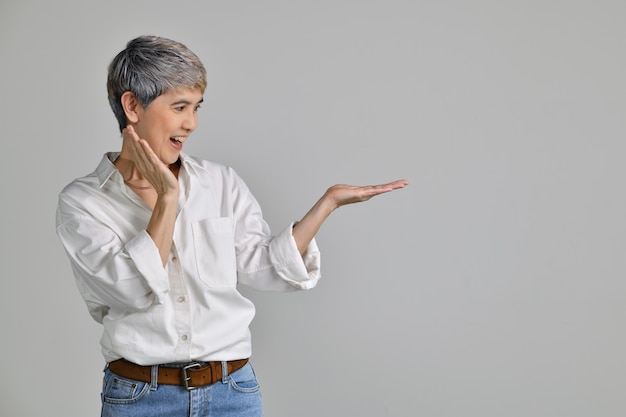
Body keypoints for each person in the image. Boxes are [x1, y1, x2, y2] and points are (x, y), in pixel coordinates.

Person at [56, 35, 408, 417]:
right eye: (179, 107)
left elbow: (264, 267)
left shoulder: (220, 182)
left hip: (231, 393)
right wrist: (168, 200)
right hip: (140, 398)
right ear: (132, 106)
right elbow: (130, 290)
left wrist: (327, 204)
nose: (191, 124)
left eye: (196, 107)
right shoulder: (84, 202)